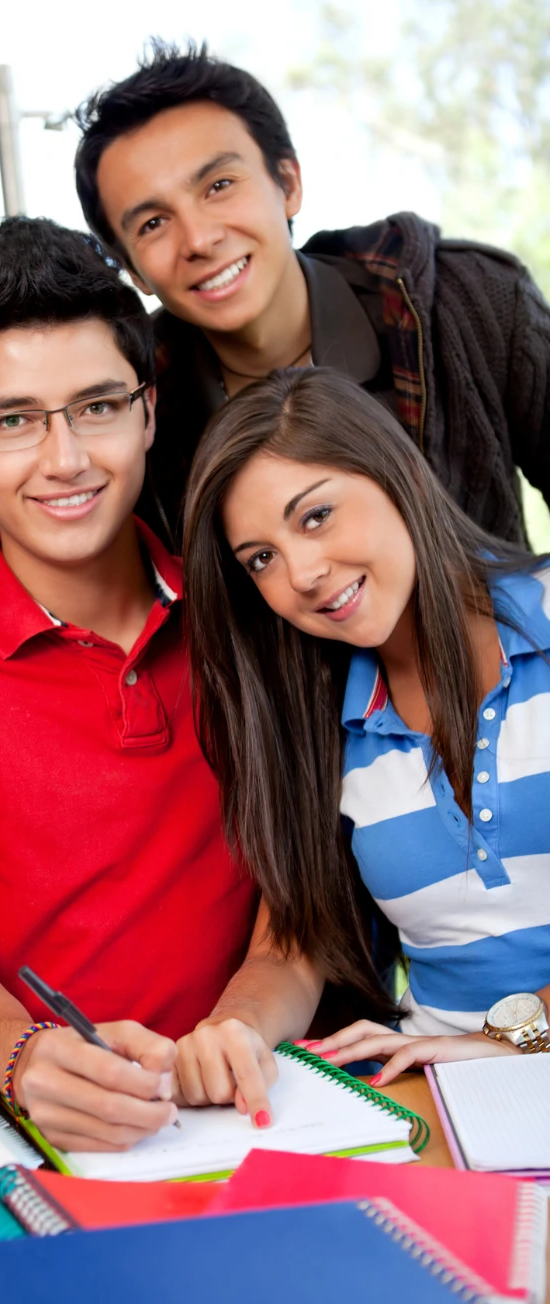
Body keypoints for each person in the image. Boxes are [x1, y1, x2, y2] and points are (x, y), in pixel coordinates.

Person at [0, 214, 315, 1157]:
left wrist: (237, 1032)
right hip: (30, 1131)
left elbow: (294, 923)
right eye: (16, 421)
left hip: (269, 1108)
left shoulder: (255, 608)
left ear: (148, 409)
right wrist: (29, 1057)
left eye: (98, 406)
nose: (66, 459)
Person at [179, 364, 544, 1100]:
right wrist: (235, 1029)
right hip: (442, 1105)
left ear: (397, 472)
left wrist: (506, 1039)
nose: (303, 574)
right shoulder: (323, 724)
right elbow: (294, 943)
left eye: (315, 516)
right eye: (262, 560)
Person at [74, 41, 550, 548]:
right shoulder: (134, 412)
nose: (198, 239)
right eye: (153, 223)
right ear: (134, 272)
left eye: (219, 186)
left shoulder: (468, 300)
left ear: (288, 182)